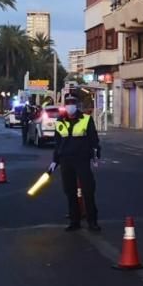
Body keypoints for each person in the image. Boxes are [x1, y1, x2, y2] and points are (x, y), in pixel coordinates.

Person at [48, 96, 101, 232]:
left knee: (88, 190)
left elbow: (93, 139)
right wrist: (55, 160)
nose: (70, 106)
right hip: (66, 160)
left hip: (82, 159)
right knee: (69, 191)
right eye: (68, 104)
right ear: (65, 106)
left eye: (73, 104)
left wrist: (95, 156)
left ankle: (92, 221)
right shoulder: (60, 121)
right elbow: (58, 143)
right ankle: (74, 221)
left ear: (77, 105)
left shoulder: (86, 119)